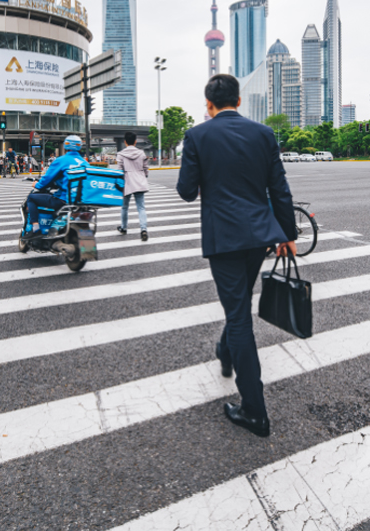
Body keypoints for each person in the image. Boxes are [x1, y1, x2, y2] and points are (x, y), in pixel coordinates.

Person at [177, 74, 297, 438]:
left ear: (209, 105)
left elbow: (185, 191)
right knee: (239, 302)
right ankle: (224, 352)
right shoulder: (263, 135)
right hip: (260, 235)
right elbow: (279, 188)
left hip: (224, 237)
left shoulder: (197, 136)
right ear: (239, 101)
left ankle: (255, 412)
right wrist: (288, 234)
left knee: (239, 315)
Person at [23, 135, 88, 240]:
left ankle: (35, 229)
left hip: (64, 200)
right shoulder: (85, 163)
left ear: (66, 146)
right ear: (80, 146)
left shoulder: (61, 160)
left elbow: (47, 178)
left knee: (31, 198)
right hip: (81, 201)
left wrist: (37, 184)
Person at [116, 131, 149, 241]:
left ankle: (124, 227)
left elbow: (120, 171)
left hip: (127, 183)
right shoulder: (141, 153)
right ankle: (143, 229)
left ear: (125, 142)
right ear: (135, 141)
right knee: (141, 207)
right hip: (139, 182)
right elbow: (145, 169)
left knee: (125, 207)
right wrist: (144, 176)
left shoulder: (120, 154)